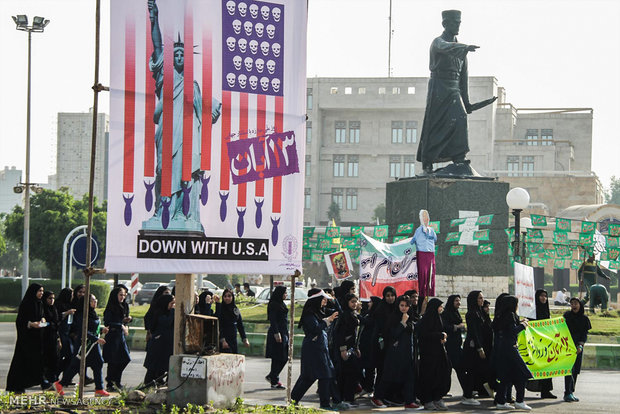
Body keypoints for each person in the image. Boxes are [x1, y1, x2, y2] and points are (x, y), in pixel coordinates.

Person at [143, 0, 221, 231]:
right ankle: (162, 211)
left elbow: (206, 112)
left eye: (182, 55)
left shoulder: (192, 87)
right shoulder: (164, 79)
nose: (178, 58)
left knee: (185, 175)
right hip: (167, 135)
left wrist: (215, 107)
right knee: (162, 172)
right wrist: (154, 18)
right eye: (175, 54)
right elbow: (157, 46)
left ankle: (182, 213)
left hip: (187, 140)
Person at [416, 9, 496, 176]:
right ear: (445, 24)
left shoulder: (462, 52)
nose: (457, 26)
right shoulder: (438, 42)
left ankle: (459, 157)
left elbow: (463, 80)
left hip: (454, 90)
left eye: (459, 23)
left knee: (460, 117)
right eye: (454, 23)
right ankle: (428, 162)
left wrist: (467, 103)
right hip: (439, 87)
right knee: (434, 124)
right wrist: (464, 47)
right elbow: (445, 47)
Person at [291, 290, 349, 410]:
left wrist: (334, 301)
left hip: (322, 348)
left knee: (328, 375)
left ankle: (332, 402)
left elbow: (340, 314)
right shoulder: (309, 314)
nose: (325, 302)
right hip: (313, 349)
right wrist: (328, 320)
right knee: (312, 376)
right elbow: (315, 328)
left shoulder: (320, 312)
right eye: (323, 299)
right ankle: (294, 400)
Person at [54, 294, 110, 397]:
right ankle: (60, 384)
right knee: (77, 366)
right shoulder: (82, 315)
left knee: (97, 363)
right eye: (93, 300)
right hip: (84, 345)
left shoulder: (92, 313)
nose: (95, 302)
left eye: (95, 300)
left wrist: (102, 330)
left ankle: (99, 388)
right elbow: (83, 330)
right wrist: (96, 339)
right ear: (87, 303)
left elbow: (93, 328)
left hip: (93, 344)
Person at [372, 295, 419, 410]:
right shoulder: (394, 318)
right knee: (389, 376)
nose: (404, 308)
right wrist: (402, 323)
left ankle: (409, 401)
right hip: (395, 353)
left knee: (409, 378)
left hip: (408, 353)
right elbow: (391, 334)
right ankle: (377, 397)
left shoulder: (410, 317)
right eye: (402, 305)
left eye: (406, 306)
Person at [491, 295, 532, 410]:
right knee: (523, 373)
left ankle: (501, 401)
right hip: (510, 349)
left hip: (502, 349)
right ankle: (519, 400)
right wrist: (522, 325)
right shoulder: (510, 315)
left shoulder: (500, 315)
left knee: (505, 376)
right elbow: (512, 331)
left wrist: (519, 322)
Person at [6, 283, 46, 393]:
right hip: (26, 339)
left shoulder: (40, 303)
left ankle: (25, 384)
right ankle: (15, 386)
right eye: (39, 291)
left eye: (42, 291)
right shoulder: (26, 303)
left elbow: (41, 315)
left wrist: (42, 320)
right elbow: (20, 321)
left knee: (34, 363)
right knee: (20, 362)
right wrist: (31, 324)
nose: (41, 293)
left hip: (36, 339)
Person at [417, 298, 451, 410]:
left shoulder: (438, 318)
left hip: (438, 352)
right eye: (439, 306)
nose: (441, 309)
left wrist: (442, 336)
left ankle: (437, 397)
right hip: (428, 354)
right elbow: (424, 334)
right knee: (429, 376)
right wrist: (439, 335)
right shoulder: (426, 319)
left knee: (440, 375)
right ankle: (427, 400)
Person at [526, 289, 556, 399]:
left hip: (547, 344)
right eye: (541, 296)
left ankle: (546, 390)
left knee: (548, 367)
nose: (544, 298)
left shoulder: (546, 311)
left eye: (545, 296)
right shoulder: (532, 312)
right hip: (537, 344)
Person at [335, 293, 363, 407]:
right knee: (346, 374)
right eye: (352, 302)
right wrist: (343, 349)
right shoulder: (345, 315)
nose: (354, 304)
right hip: (345, 349)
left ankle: (349, 397)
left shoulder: (353, 314)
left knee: (352, 374)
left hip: (351, 349)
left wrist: (356, 348)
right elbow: (341, 334)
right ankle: (344, 398)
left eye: (356, 301)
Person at [442, 294, 469, 403]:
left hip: (457, 345)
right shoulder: (446, 313)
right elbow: (446, 327)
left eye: (459, 300)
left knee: (459, 368)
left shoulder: (455, 312)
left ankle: (467, 391)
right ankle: (466, 392)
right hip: (450, 346)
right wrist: (457, 327)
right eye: (456, 300)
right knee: (456, 368)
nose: (458, 302)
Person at [371, 286, 397, 397]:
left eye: (392, 295)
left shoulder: (397, 308)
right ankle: (379, 395)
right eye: (388, 296)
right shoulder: (380, 310)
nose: (390, 298)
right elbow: (382, 328)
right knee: (382, 370)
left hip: (393, 344)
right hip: (383, 345)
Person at [103, 287, 132, 391]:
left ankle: (116, 380)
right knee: (113, 360)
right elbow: (108, 322)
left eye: (124, 295)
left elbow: (124, 319)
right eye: (120, 295)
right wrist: (120, 325)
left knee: (125, 359)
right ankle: (110, 383)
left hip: (121, 336)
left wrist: (128, 320)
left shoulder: (124, 306)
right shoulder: (111, 307)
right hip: (113, 336)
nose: (122, 297)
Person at [143, 294, 175, 385]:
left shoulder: (168, 312)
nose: (173, 306)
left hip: (166, 345)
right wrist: (173, 310)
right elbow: (166, 322)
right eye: (171, 303)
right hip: (158, 345)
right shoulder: (159, 313)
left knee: (162, 369)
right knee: (153, 368)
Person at [563, 298, 591, 403]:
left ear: (580, 305)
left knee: (576, 370)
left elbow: (584, 334)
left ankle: (571, 391)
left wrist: (581, 345)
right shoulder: (567, 316)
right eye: (572, 304)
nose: (574, 306)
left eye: (576, 303)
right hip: (567, 346)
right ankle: (567, 392)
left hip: (578, 346)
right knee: (569, 369)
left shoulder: (584, 319)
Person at [461, 290, 485, 406]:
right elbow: (474, 332)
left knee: (475, 371)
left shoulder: (479, 312)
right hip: (472, 347)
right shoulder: (471, 313)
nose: (482, 300)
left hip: (477, 345)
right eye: (480, 298)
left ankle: (471, 391)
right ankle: (467, 396)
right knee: (470, 371)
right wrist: (479, 348)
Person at [410, 210, 437, 311]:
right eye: (424, 217)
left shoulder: (432, 231)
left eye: (427, 217)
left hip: (430, 255)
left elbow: (434, 239)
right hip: (421, 254)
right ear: (421, 219)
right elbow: (412, 241)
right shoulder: (418, 230)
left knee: (430, 276)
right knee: (422, 275)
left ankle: (427, 297)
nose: (426, 219)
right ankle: (421, 297)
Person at [265, 286, 289, 389]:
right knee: (278, 357)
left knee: (283, 357)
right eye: (284, 293)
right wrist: (276, 333)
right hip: (277, 332)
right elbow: (273, 320)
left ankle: (273, 376)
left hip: (284, 331)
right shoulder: (274, 304)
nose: (286, 295)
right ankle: (274, 379)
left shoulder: (281, 303)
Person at [358, 296, 381, 395]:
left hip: (372, 345)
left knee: (369, 367)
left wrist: (356, 314)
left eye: (371, 302)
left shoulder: (377, 316)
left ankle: (369, 387)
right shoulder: (368, 314)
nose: (368, 303)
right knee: (364, 367)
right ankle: (367, 386)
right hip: (364, 345)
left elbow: (368, 323)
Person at [215, 289, 250, 353]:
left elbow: (240, 325)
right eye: (225, 296)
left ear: (232, 297)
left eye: (229, 296)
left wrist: (244, 339)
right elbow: (219, 325)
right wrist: (223, 340)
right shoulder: (221, 308)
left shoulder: (235, 309)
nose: (227, 298)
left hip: (233, 340)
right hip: (224, 341)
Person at [54, 288, 76, 377]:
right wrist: (67, 313)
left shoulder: (70, 304)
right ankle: (54, 375)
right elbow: (57, 317)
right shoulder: (58, 304)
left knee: (70, 356)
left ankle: (64, 376)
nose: (72, 297)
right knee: (60, 356)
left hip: (67, 333)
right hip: (60, 333)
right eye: (71, 295)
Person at [41, 291, 60, 386]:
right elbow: (42, 323)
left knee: (55, 359)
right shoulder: (43, 309)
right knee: (46, 360)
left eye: (53, 298)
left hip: (53, 338)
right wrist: (49, 324)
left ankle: (53, 379)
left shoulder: (53, 309)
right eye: (50, 298)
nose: (52, 300)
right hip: (45, 338)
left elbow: (56, 323)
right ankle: (45, 381)